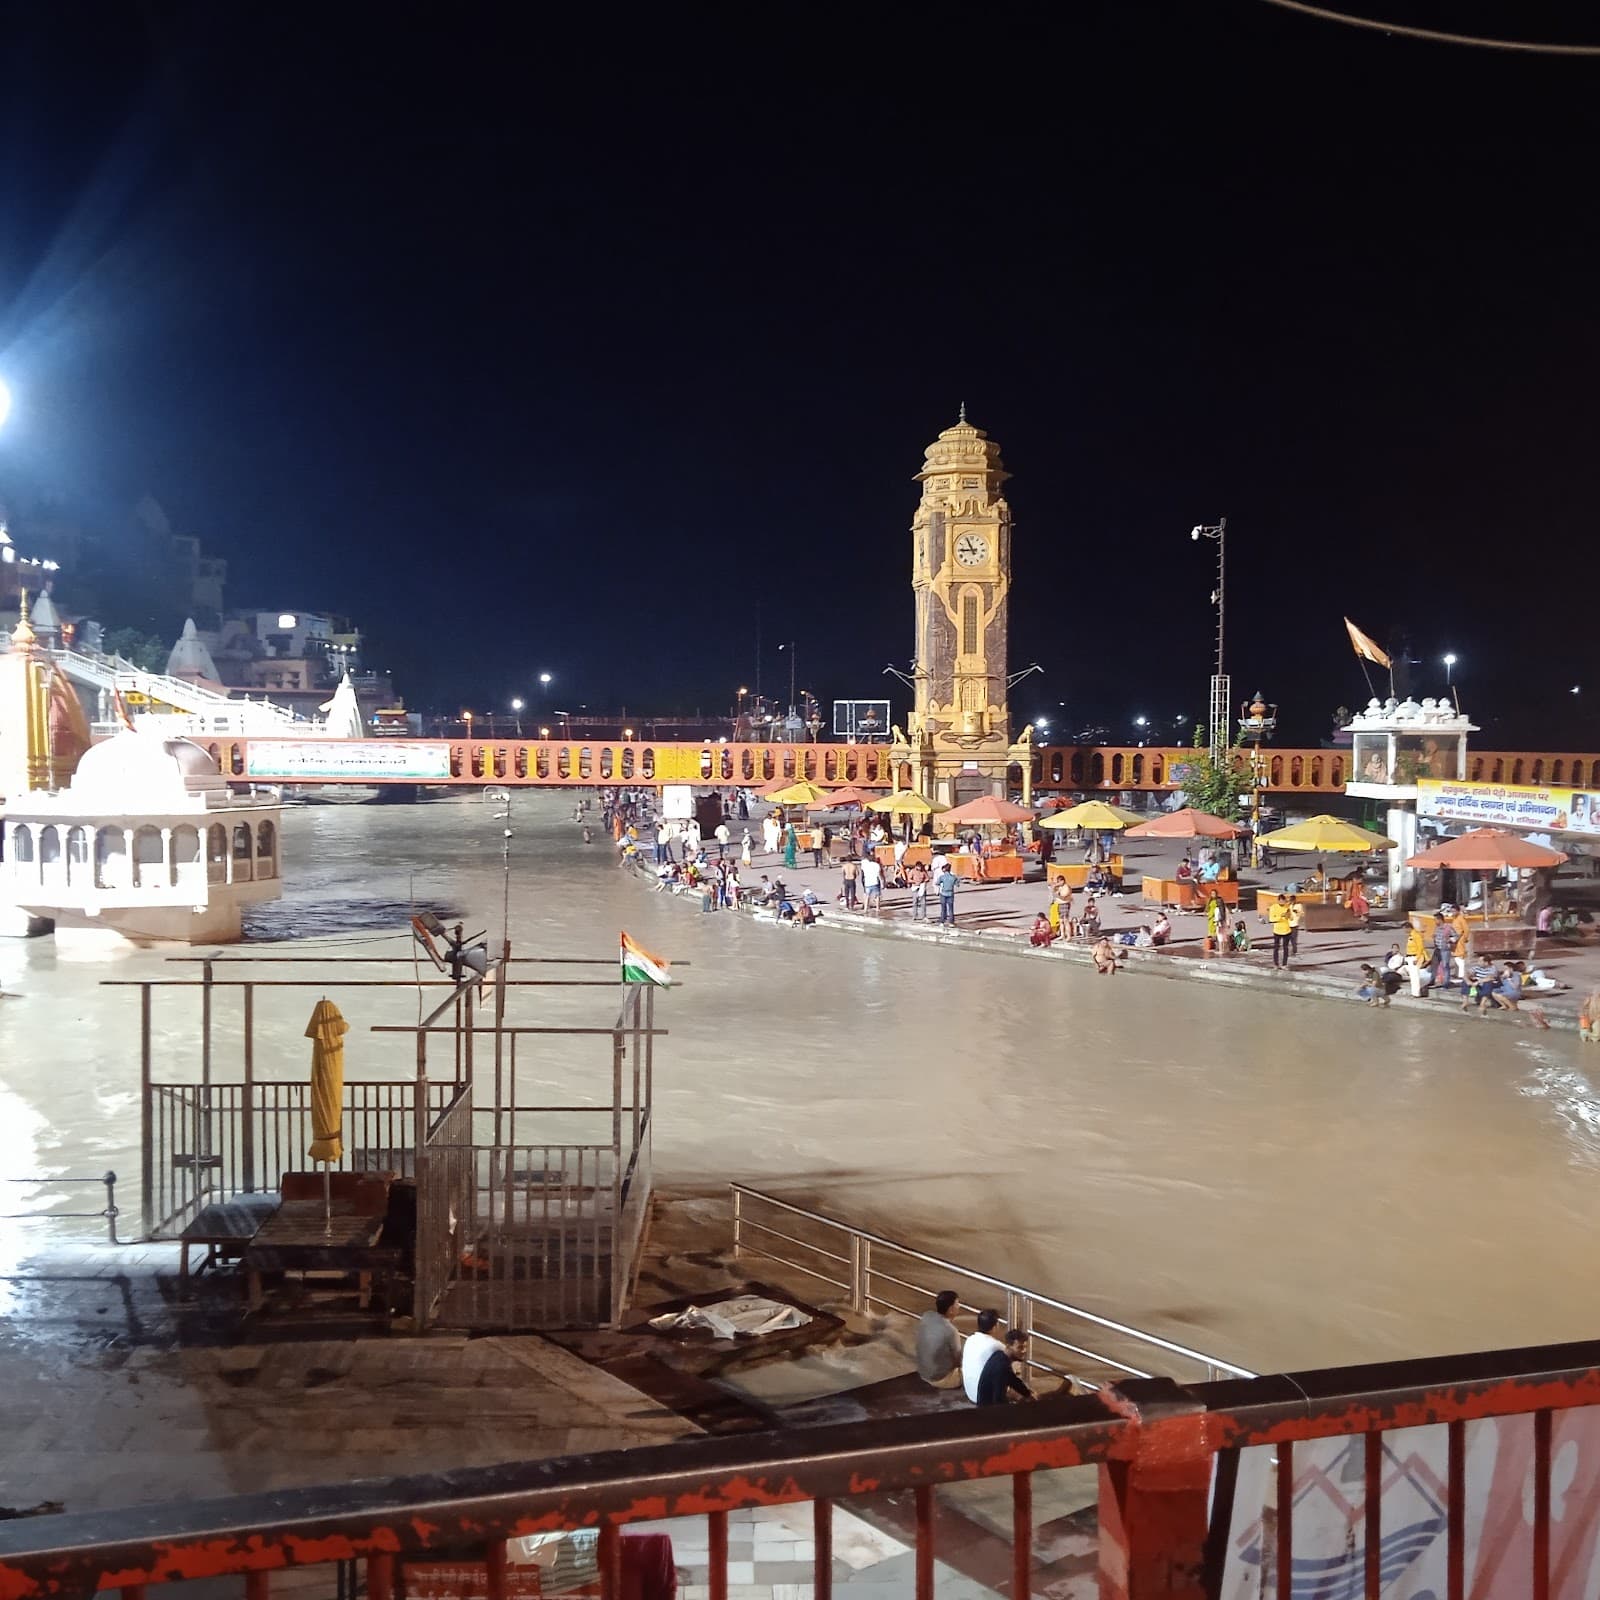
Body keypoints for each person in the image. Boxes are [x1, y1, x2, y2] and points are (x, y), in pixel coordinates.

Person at [916, 1290, 965, 1388]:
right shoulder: (951, 1331)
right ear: (951, 1309)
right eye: (957, 1304)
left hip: (922, 1371)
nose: (959, 1306)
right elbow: (958, 1360)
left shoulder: (927, 1316)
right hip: (940, 1379)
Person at [974, 1329, 1036, 1406]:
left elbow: (1012, 1379)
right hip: (988, 1413)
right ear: (1008, 1346)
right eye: (1020, 1347)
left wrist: (1027, 1393)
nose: (1024, 1351)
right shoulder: (1001, 1367)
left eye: (1025, 1347)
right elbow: (999, 1400)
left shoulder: (999, 1355)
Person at [960, 1310, 1006, 1402]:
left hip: (970, 1393)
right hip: (985, 1398)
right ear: (995, 1326)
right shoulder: (995, 1345)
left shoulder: (970, 1339)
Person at [1431, 914, 1461, 993]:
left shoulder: (1448, 927)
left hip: (1445, 949)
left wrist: (1450, 940)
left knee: (1445, 966)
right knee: (1434, 965)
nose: (1434, 922)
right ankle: (1432, 981)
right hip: (1437, 949)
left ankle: (1446, 983)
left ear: (1439, 919)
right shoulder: (1436, 928)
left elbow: (1456, 936)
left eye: (1435, 920)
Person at [1268, 894, 1294, 969]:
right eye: (1281, 901)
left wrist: (1289, 916)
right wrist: (1281, 916)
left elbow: (1291, 918)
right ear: (1278, 901)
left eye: (1284, 901)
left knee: (1285, 948)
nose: (1283, 903)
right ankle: (1276, 964)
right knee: (1276, 948)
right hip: (1277, 930)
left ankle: (1284, 964)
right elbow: (1271, 919)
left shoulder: (1287, 907)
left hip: (1286, 930)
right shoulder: (1273, 907)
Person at [935, 857, 957, 926]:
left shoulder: (942, 877)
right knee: (951, 908)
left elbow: (937, 883)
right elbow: (957, 883)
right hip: (950, 893)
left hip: (943, 893)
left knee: (943, 908)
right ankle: (951, 922)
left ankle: (942, 921)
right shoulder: (953, 877)